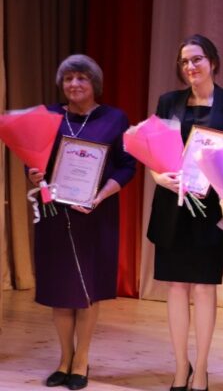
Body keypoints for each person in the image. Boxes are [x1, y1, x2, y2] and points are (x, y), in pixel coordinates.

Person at [147, 34, 223, 391]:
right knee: (176, 287)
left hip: (211, 210)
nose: (190, 66)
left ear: (213, 62)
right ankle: (181, 368)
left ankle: (202, 369)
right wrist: (158, 177)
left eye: (197, 59)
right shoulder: (168, 101)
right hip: (172, 207)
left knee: (205, 289)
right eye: (185, 62)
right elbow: (155, 152)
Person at [26, 54, 137, 390]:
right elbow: (33, 160)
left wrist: (100, 195)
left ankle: (82, 360)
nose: (74, 84)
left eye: (82, 78)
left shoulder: (115, 118)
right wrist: (33, 174)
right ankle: (64, 359)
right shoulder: (49, 116)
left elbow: (127, 166)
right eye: (68, 78)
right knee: (60, 290)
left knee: (88, 290)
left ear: (94, 83)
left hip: (96, 214)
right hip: (55, 214)